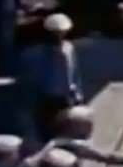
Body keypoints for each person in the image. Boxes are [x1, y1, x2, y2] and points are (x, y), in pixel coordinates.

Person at [31, 13, 84, 142]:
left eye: (62, 32)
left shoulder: (69, 48)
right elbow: (38, 75)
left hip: (65, 96)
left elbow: (74, 71)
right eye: (56, 32)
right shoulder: (41, 52)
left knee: (65, 128)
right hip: (47, 96)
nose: (60, 35)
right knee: (46, 130)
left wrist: (77, 91)